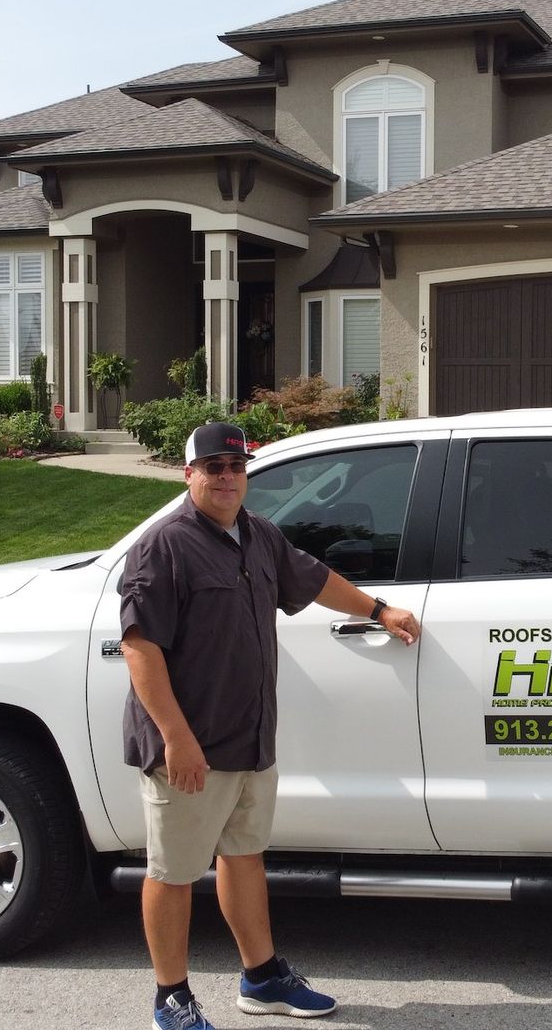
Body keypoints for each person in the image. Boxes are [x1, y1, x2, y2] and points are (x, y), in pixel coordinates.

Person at [118, 421, 420, 1030]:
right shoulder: (164, 546)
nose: (228, 477)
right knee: (173, 874)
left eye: (237, 467)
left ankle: (261, 978)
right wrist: (177, 739)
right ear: (190, 475)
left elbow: (313, 579)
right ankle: (170, 999)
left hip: (250, 739)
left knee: (244, 856)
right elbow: (140, 648)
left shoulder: (258, 536)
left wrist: (379, 609)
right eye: (215, 468)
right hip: (190, 746)